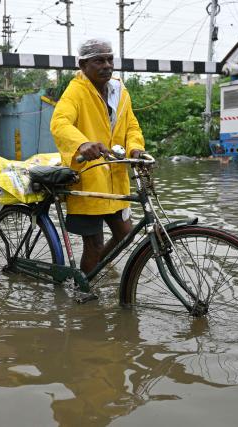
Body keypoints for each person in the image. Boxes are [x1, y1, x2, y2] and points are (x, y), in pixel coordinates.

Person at [50, 38, 145, 274]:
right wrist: (82, 143)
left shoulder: (120, 91)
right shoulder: (76, 92)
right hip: (89, 177)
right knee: (94, 245)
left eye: (110, 59)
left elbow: (131, 125)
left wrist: (135, 148)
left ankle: (91, 274)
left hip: (116, 177)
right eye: (99, 60)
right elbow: (60, 123)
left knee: (125, 234)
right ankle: (85, 291)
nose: (107, 65)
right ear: (83, 65)